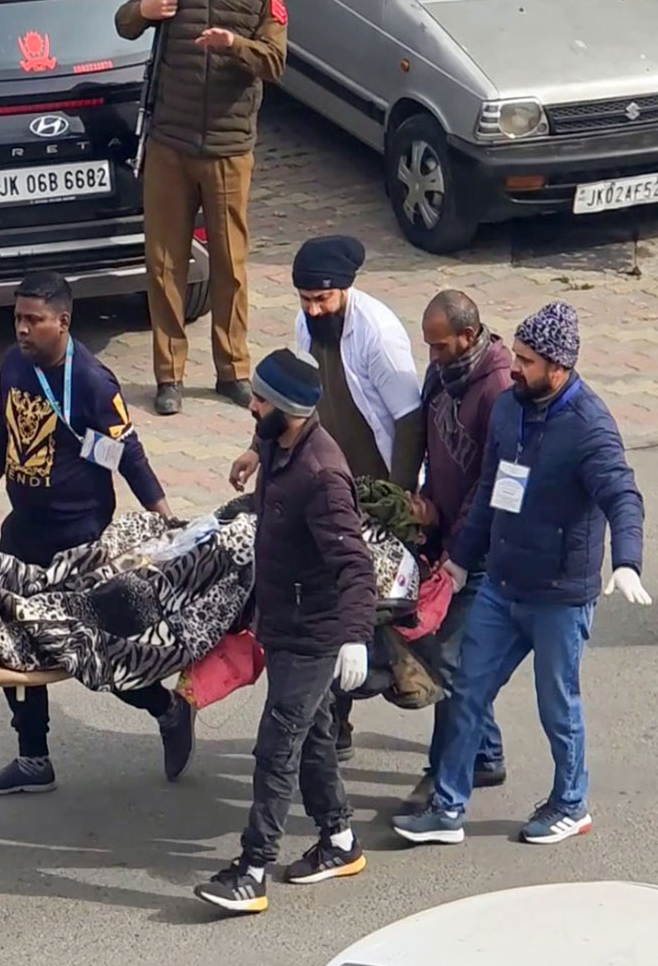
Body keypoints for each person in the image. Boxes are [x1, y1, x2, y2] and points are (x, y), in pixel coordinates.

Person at [393, 303, 649, 847]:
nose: (514, 368)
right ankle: (447, 808)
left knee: (557, 706)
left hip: (559, 596)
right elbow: (492, 489)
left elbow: (623, 496)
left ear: (559, 367)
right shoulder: (510, 408)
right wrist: (460, 561)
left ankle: (571, 804)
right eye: (516, 356)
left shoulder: (589, 427)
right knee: (466, 690)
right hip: (502, 585)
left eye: (527, 362)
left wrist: (627, 561)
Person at [0, 271, 196, 796]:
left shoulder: (92, 381)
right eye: (18, 318)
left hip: (79, 540)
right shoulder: (13, 365)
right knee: (12, 643)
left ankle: (166, 707)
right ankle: (33, 757)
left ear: (63, 322)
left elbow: (129, 455)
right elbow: (2, 434)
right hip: (23, 533)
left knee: (93, 652)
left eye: (34, 319)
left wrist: (165, 520)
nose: (23, 329)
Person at [193, 349, 376, 915]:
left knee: (277, 748)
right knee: (315, 736)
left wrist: (355, 636)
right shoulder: (281, 441)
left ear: (290, 409)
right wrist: (254, 454)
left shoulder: (322, 476)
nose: (252, 407)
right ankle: (340, 839)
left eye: (260, 401)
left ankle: (253, 871)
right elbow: (266, 441)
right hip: (282, 621)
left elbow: (355, 566)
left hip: (313, 635)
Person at [231, 235, 423, 761]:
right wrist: (256, 448)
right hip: (324, 478)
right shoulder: (307, 325)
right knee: (322, 601)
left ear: (346, 290)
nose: (314, 310)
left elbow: (409, 421)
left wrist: (397, 502)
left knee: (383, 610)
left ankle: (455, 723)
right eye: (305, 299)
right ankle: (332, 727)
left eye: (323, 299)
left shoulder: (379, 334)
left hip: (377, 485)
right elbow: (293, 399)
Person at [116, 0, 288, 416]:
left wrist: (234, 44)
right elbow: (123, 23)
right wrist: (144, 11)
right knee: (164, 263)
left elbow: (275, 61)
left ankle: (232, 370)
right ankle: (168, 375)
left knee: (229, 264)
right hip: (170, 143)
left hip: (228, 148)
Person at [403, 290, 513, 807]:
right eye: (428, 346)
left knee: (448, 661)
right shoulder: (442, 374)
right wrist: (424, 503)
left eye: (440, 346)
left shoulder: (498, 390)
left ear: (468, 337)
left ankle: (445, 772)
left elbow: (490, 485)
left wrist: (460, 554)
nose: (432, 356)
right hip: (445, 535)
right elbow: (431, 446)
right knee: (452, 656)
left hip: (479, 550)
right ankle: (485, 754)